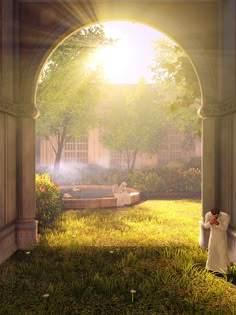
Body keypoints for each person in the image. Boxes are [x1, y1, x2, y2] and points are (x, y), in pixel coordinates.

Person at [203, 207, 230, 274]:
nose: (215, 216)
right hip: (213, 236)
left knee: (222, 252)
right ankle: (211, 268)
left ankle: (223, 270)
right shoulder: (208, 215)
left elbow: (225, 228)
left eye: (216, 214)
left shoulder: (225, 216)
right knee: (212, 251)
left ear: (219, 213)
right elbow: (206, 226)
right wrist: (211, 223)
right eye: (213, 214)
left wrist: (217, 223)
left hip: (221, 237)